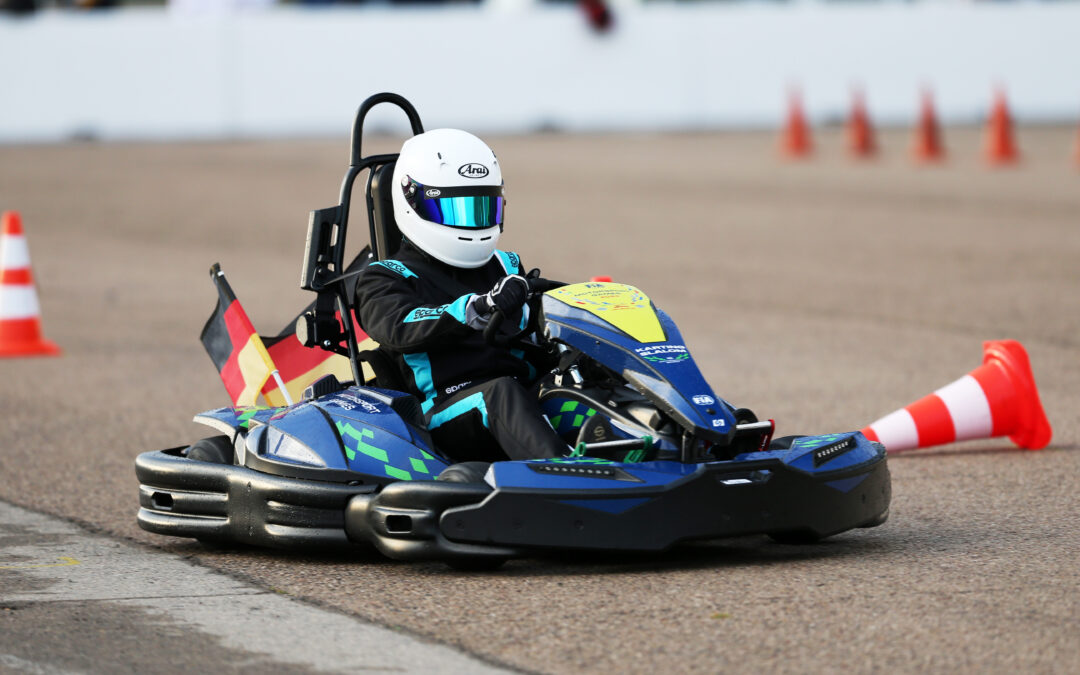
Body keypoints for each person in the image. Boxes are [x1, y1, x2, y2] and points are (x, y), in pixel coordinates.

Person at [354, 128, 569, 465]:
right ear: (415, 204)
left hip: (522, 393)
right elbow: (400, 326)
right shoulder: (384, 277)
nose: (472, 224)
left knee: (577, 380)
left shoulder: (506, 265)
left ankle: (650, 454)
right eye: (458, 210)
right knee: (501, 393)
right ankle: (568, 480)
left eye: (482, 209)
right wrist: (477, 307)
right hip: (445, 411)